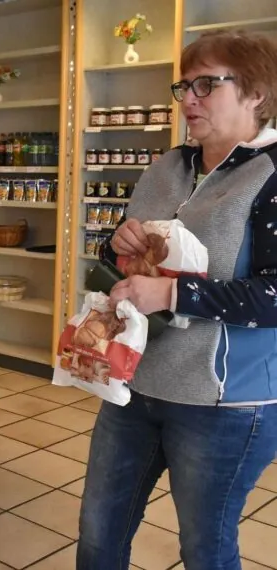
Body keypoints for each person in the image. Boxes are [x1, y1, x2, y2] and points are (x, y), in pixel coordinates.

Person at [79, 30, 277, 570]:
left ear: (257, 93)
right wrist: (116, 241)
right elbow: (132, 251)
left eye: (207, 85)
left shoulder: (271, 175)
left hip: (224, 405)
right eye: (184, 86)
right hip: (135, 382)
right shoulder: (167, 167)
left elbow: (274, 293)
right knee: (99, 535)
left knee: (205, 550)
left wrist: (172, 292)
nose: (188, 99)